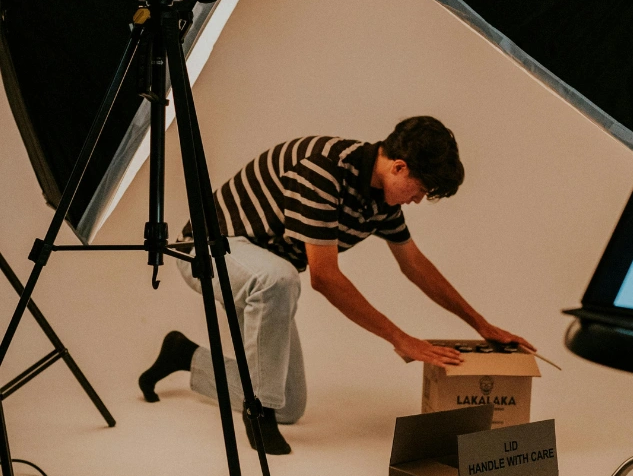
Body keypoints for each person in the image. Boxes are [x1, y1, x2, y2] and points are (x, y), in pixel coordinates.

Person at [139, 116, 534, 454]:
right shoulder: (323, 170)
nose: (417, 200)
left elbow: (415, 265)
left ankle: (184, 355)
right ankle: (258, 414)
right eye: (421, 189)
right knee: (280, 278)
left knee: (289, 405)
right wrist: (399, 337)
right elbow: (324, 277)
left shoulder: (382, 201)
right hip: (207, 252)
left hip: (264, 277)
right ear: (399, 167)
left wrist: (480, 324)